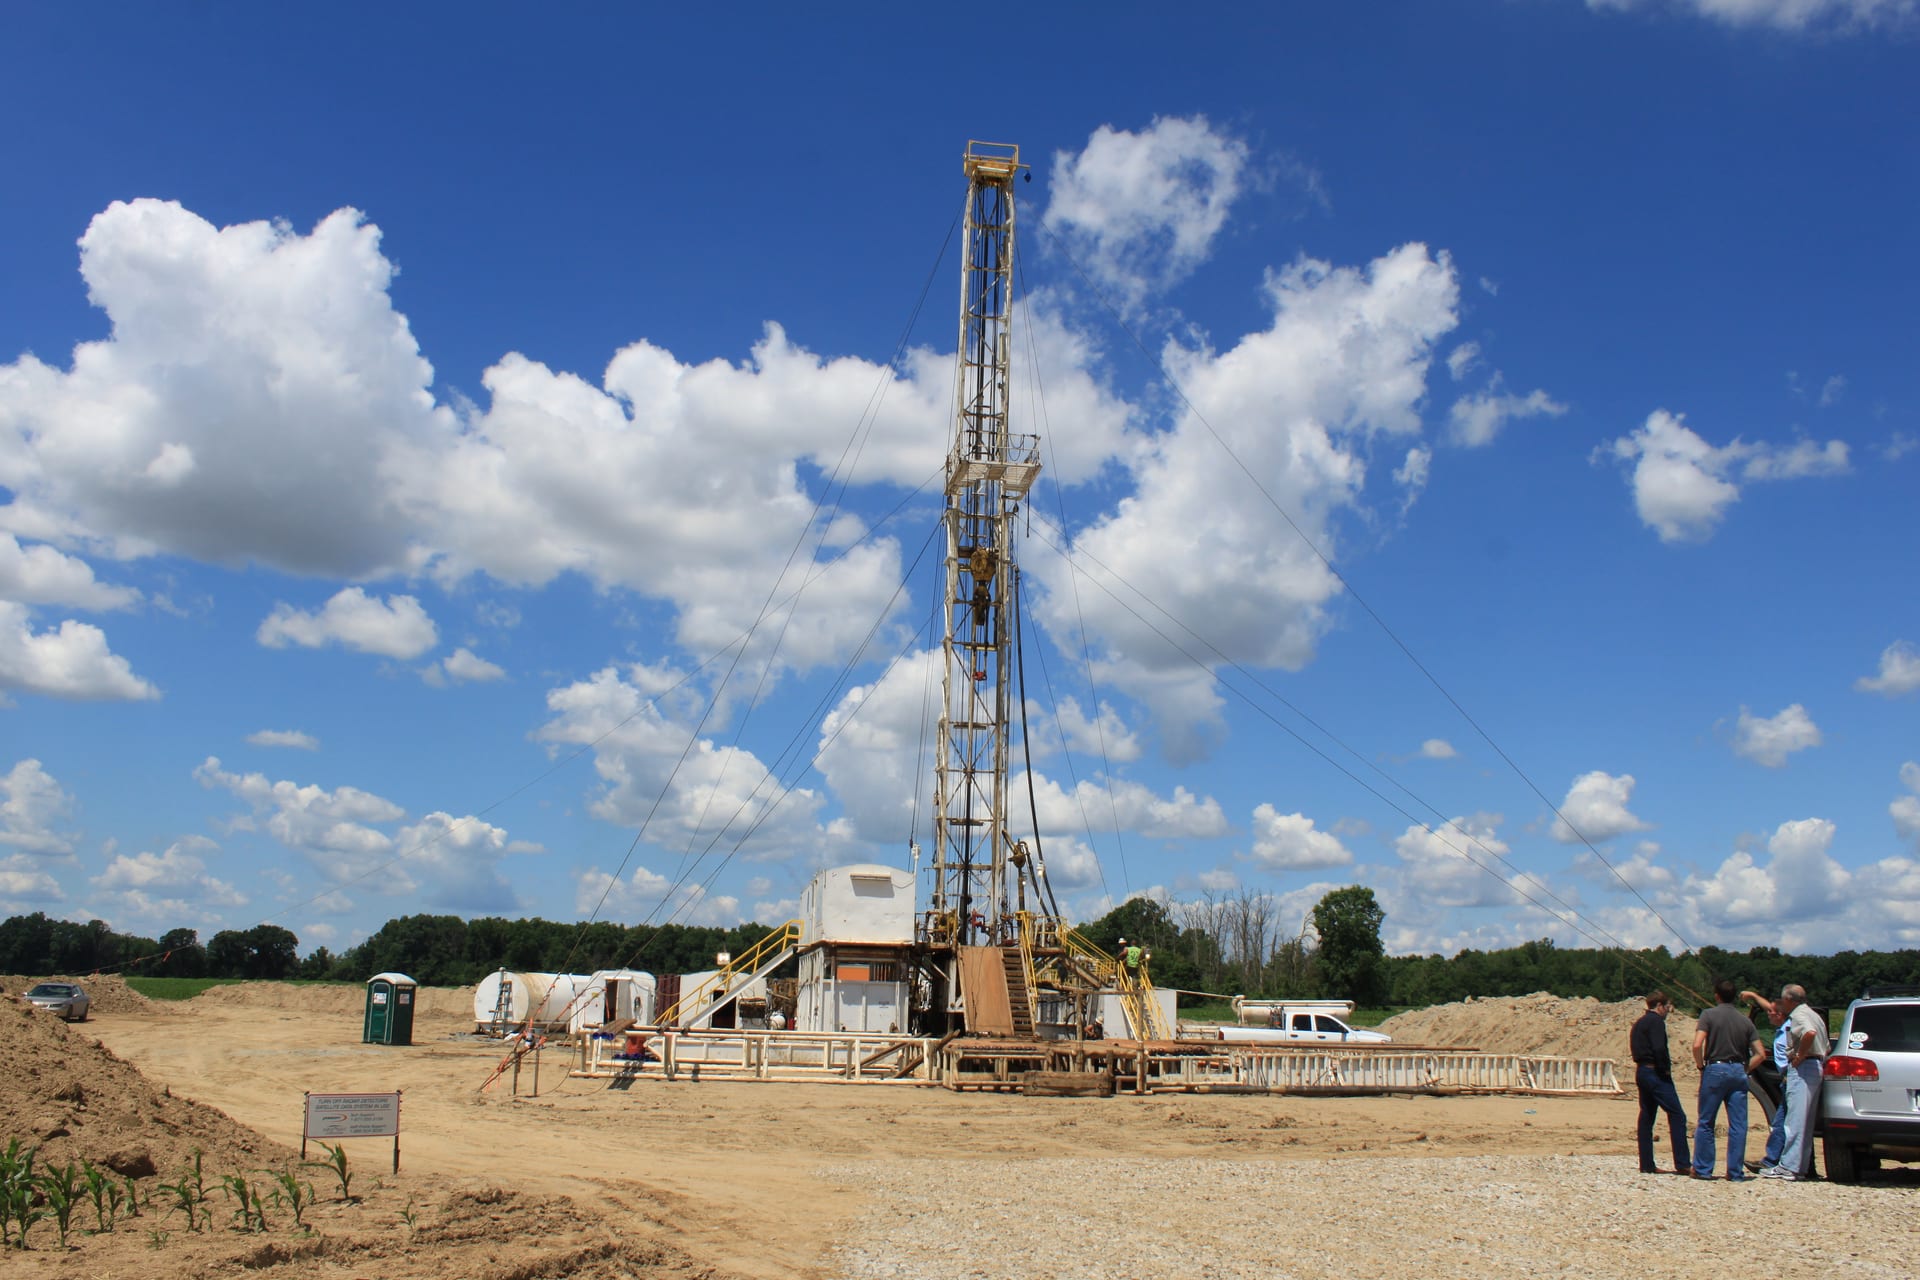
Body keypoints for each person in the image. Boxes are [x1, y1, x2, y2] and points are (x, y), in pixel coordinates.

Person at [1691, 978, 1765, 1180]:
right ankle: (1734, 1172)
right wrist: (1745, 1068)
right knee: (1738, 1124)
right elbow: (1760, 1053)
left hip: (1715, 1068)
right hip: (1738, 1070)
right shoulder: (1745, 1021)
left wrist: (1700, 1066)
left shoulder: (1708, 1015)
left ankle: (1703, 1169)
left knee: (1706, 1121)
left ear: (1717, 996)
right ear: (1734, 997)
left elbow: (1697, 1045)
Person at [1760, 984, 1829, 1181]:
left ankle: (1788, 1166)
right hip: (1817, 1065)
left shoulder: (1799, 1015)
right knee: (1805, 1122)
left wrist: (1799, 1056)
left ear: (1789, 1000)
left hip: (1804, 1068)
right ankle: (1800, 1167)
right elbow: (1825, 1045)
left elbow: (1809, 1033)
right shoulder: (1814, 1014)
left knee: (1794, 1121)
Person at [1630, 991, 1690, 1174]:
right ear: (1660, 1006)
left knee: (1647, 1116)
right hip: (1654, 1072)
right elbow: (1658, 1048)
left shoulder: (1639, 1023)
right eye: (1667, 1007)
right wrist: (1665, 1069)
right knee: (1677, 1115)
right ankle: (1683, 1163)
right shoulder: (1656, 1022)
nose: (1668, 1011)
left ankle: (1647, 1164)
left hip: (1641, 1070)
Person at [1740, 988, 1792, 1174]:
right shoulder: (1784, 1027)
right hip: (1786, 1080)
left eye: (1771, 1012)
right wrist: (1754, 996)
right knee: (1786, 1121)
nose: (1768, 1013)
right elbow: (1771, 1007)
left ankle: (1771, 1160)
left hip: (1790, 1079)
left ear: (1780, 1014)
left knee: (1781, 1123)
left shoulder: (1790, 1028)